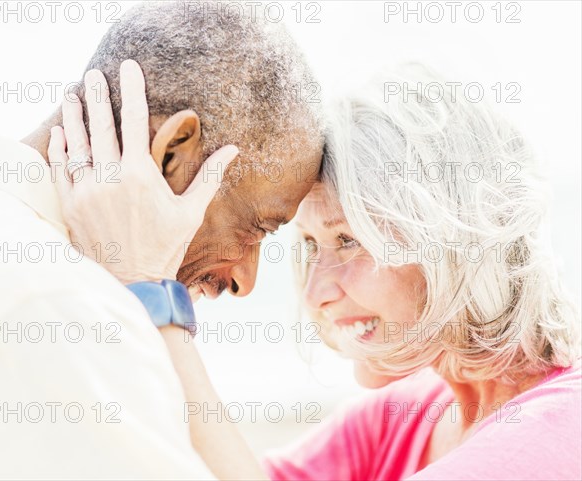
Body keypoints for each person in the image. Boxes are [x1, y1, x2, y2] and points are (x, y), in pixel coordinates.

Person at [57, 64, 581, 480]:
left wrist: (152, 293)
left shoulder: (561, 428)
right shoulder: (407, 414)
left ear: (457, 241)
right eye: (310, 245)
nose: (315, 292)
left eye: (348, 241)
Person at [0, 1, 322, 479]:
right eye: (258, 227)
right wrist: (150, 293)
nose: (245, 280)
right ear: (169, 154)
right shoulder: (56, 304)